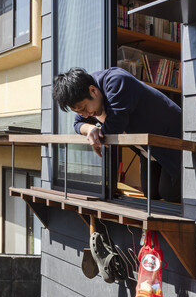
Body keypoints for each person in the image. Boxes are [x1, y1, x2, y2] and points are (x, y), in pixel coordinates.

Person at [53, 66, 182, 201]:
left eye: (84, 108)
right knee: (151, 193)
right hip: (148, 149)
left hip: (172, 140)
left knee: (169, 193)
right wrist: (90, 129)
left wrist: (98, 138)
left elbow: (114, 126)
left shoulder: (117, 81)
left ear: (93, 90)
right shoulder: (85, 93)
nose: (85, 115)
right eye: (79, 111)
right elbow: (78, 124)